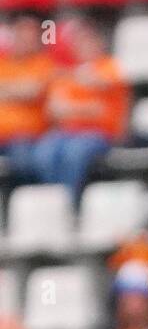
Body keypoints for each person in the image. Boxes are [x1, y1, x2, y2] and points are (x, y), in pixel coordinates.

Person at [23, 21, 129, 200]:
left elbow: (99, 94)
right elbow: (54, 110)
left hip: (101, 133)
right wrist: (84, 108)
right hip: (68, 133)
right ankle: (54, 200)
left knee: (74, 153)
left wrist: (73, 107)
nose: (83, 46)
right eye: (79, 42)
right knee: (44, 152)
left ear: (99, 42)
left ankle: (71, 201)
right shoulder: (69, 73)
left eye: (88, 40)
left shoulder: (110, 66)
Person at [0, 14, 56, 176]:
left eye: (30, 36)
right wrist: (19, 90)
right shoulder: (3, 63)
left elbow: (33, 92)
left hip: (27, 138)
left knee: (23, 161)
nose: (24, 40)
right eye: (21, 34)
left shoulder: (44, 63)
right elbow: (25, 91)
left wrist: (6, 90)